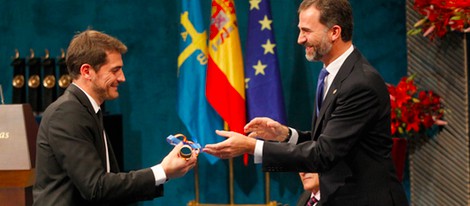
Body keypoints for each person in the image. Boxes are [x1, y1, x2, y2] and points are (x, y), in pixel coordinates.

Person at [203, 0, 409, 205]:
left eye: (306, 31)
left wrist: (252, 147)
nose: (300, 39)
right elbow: (332, 140)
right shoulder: (333, 75)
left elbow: (324, 154)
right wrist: (285, 135)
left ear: (334, 32)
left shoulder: (360, 83)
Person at [33, 29, 197, 205]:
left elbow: (108, 187)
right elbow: (96, 187)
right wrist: (162, 171)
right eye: (115, 70)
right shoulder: (66, 114)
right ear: (87, 71)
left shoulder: (87, 110)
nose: (122, 78)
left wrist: (164, 173)